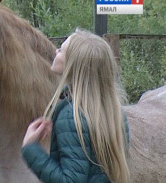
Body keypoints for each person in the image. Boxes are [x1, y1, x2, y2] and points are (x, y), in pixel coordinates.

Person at [22, 28, 130, 183]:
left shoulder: (72, 116)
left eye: (62, 50)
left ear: (73, 65)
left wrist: (30, 148)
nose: (56, 50)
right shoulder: (115, 112)